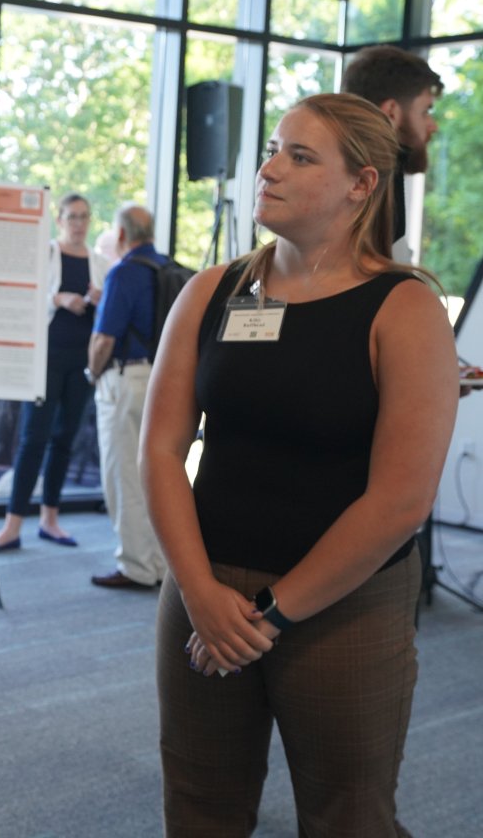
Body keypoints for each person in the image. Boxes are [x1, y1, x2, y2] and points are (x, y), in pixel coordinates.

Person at [140, 93, 459, 836]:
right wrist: (201, 593)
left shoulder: (403, 308)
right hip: (204, 593)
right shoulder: (211, 292)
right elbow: (159, 450)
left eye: (299, 156)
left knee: (348, 816)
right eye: (273, 149)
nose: (268, 168)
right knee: (199, 805)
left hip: (343, 606)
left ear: (361, 184)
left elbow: (399, 502)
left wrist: (272, 613)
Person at [0, 191, 109, 552]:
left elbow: (112, 316)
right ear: (60, 220)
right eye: (72, 217)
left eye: (84, 217)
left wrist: (101, 300)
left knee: (65, 439)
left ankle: (50, 520)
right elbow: (22, 296)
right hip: (45, 358)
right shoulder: (46, 254)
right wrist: (58, 299)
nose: (79, 224)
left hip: (81, 360)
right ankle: (12, 525)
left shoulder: (101, 264)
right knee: (33, 438)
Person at [87, 202, 170, 590]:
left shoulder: (124, 273)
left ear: (121, 235)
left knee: (123, 477)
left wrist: (92, 371)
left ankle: (137, 566)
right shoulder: (172, 270)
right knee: (158, 476)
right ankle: (160, 564)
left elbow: (104, 338)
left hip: (127, 381)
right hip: (166, 380)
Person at [342, 45, 443, 265]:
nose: (432, 126)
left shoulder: (338, 179)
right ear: (391, 112)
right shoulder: (372, 194)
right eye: (425, 111)